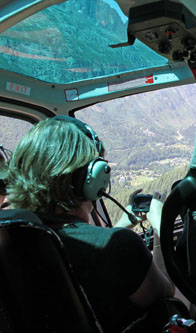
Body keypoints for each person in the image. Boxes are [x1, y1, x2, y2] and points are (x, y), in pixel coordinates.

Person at [5, 116, 175, 332]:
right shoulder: (119, 247)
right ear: (91, 177)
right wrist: (160, 228)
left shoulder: (17, 236)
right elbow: (166, 292)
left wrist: (122, 224)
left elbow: (85, 245)